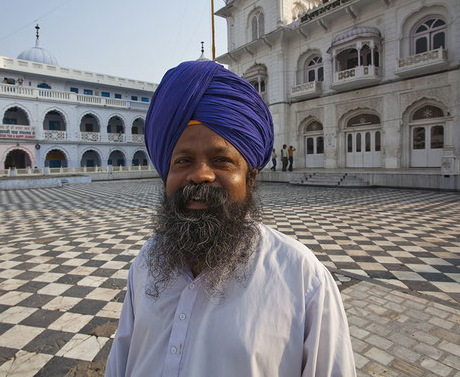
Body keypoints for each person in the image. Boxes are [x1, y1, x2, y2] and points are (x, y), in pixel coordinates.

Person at [105, 61, 355, 377]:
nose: (199, 175)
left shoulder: (303, 280)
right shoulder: (147, 262)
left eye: (221, 161)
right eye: (183, 161)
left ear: (251, 178)